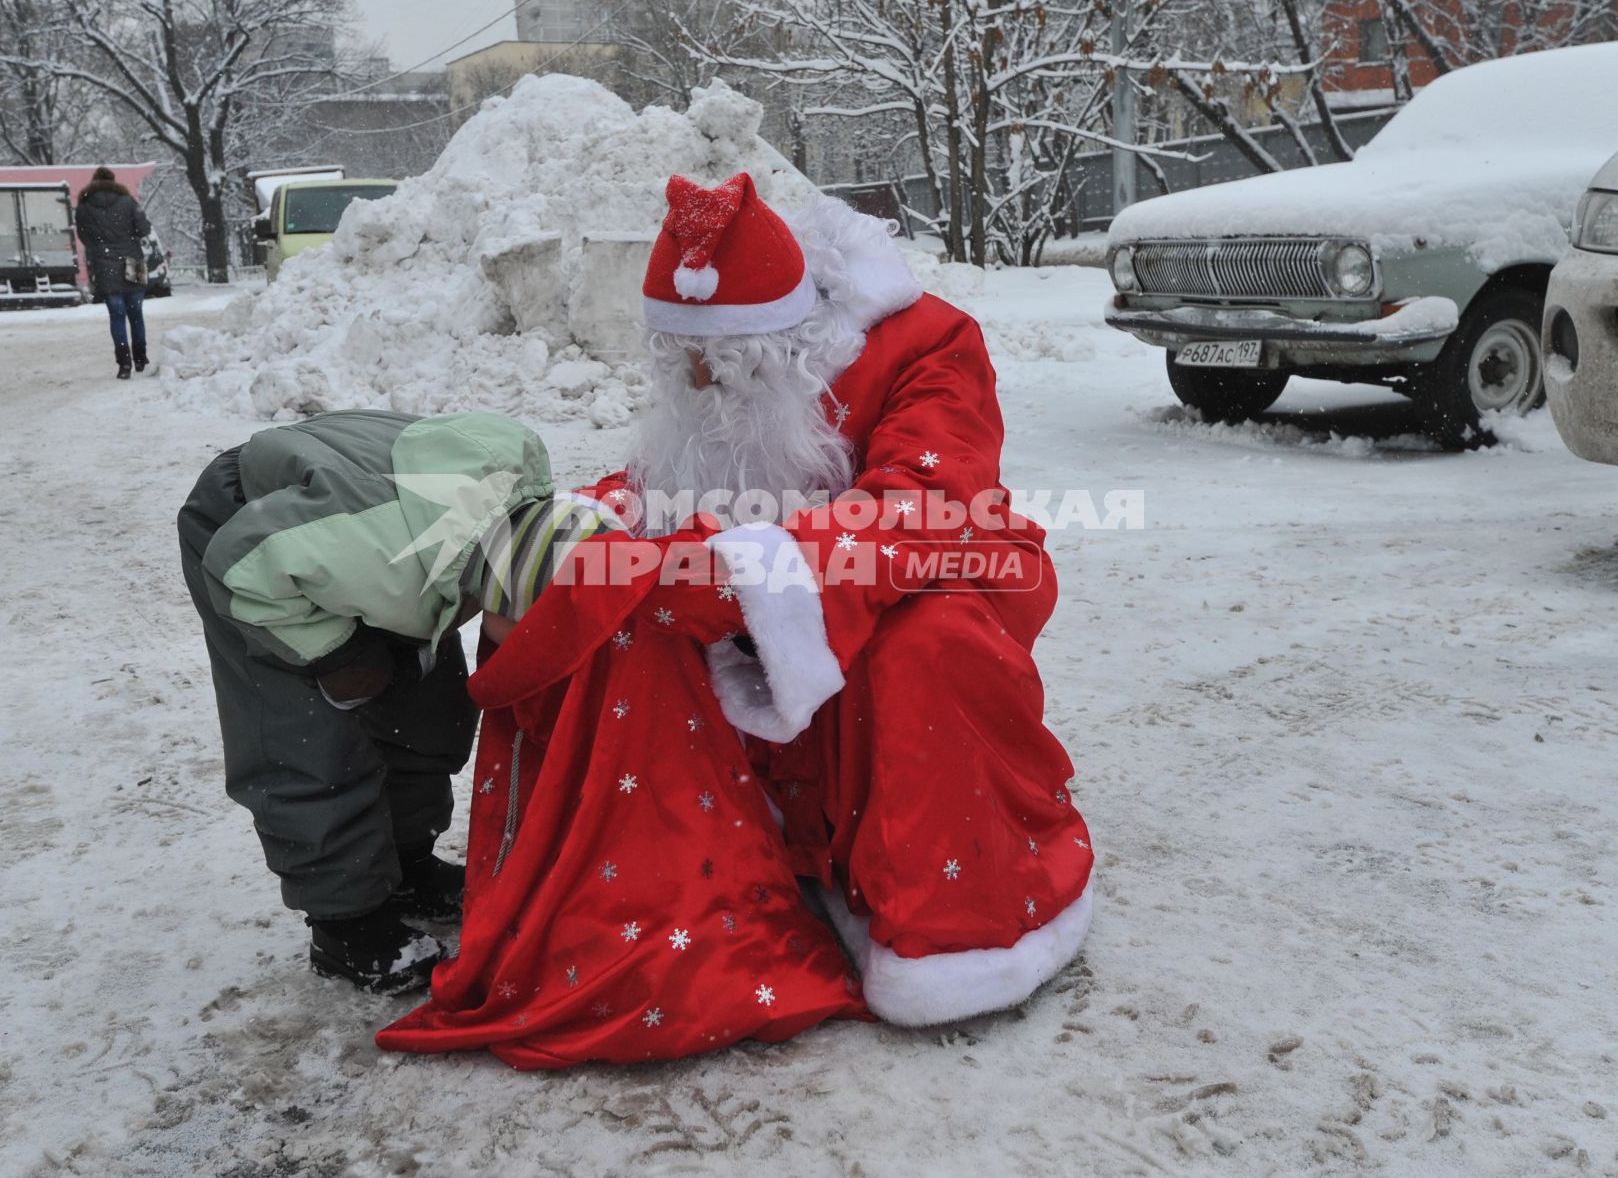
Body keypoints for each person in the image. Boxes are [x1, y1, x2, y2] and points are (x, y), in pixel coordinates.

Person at [378, 174, 1092, 1066]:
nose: (700, 375)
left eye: (725, 358)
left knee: (922, 648)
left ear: (794, 336)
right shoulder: (709, 364)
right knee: (614, 600)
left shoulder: (926, 343)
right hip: (790, 575)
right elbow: (667, 476)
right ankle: (681, 902)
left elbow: (927, 502)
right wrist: (585, 524)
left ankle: (953, 924)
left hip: (935, 566)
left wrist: (749, 570)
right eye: (679, 354)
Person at [177, 408, 617, 993]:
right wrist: (336, 653)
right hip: (251, 546)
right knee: (307, 735)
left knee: (427, 706)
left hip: (361, 529)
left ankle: (406, 862)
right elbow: (239, 565)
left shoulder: (502, 511)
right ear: (509, 600)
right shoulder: (381, 550)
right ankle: (346, 921)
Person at [74, 166, 152, 379]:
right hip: (133, 259)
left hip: (104, 262)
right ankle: (140, 357)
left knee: (117, 315)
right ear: (113, 181)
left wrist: (102, 247)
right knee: (136, 313)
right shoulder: (128, 202)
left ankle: (124, 362)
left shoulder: (84, 207)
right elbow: (144, 229)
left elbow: (85, 237)